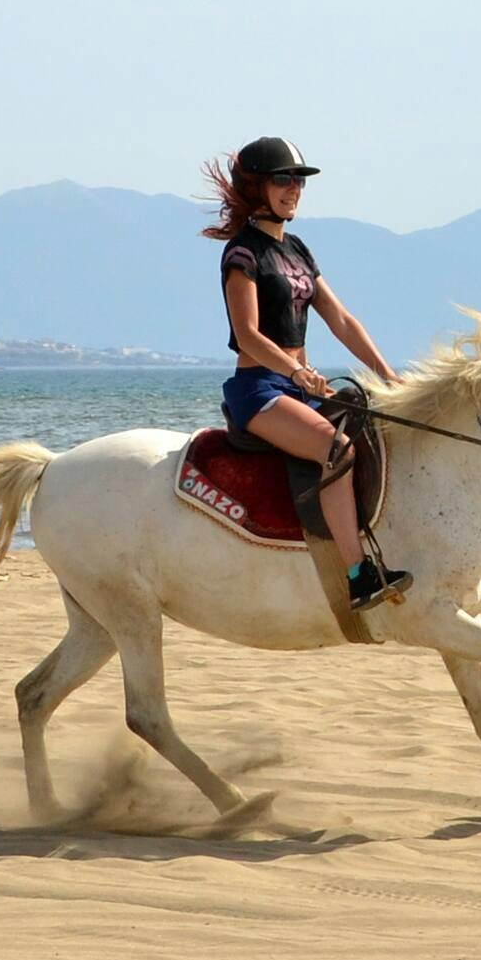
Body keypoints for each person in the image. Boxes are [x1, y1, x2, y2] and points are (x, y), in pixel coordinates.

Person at [208, 135, 410, 608]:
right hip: (259, 388)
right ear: (256, 187)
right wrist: (296, 372)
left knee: (377, 431)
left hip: (297, 385)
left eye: (298, 181)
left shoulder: (297, 249)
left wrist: (390, 378)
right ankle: (359, 575)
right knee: (336, 451)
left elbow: (341, 321)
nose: (293, 189)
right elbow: (249, 334)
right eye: (283, 180)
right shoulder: (243, 254)